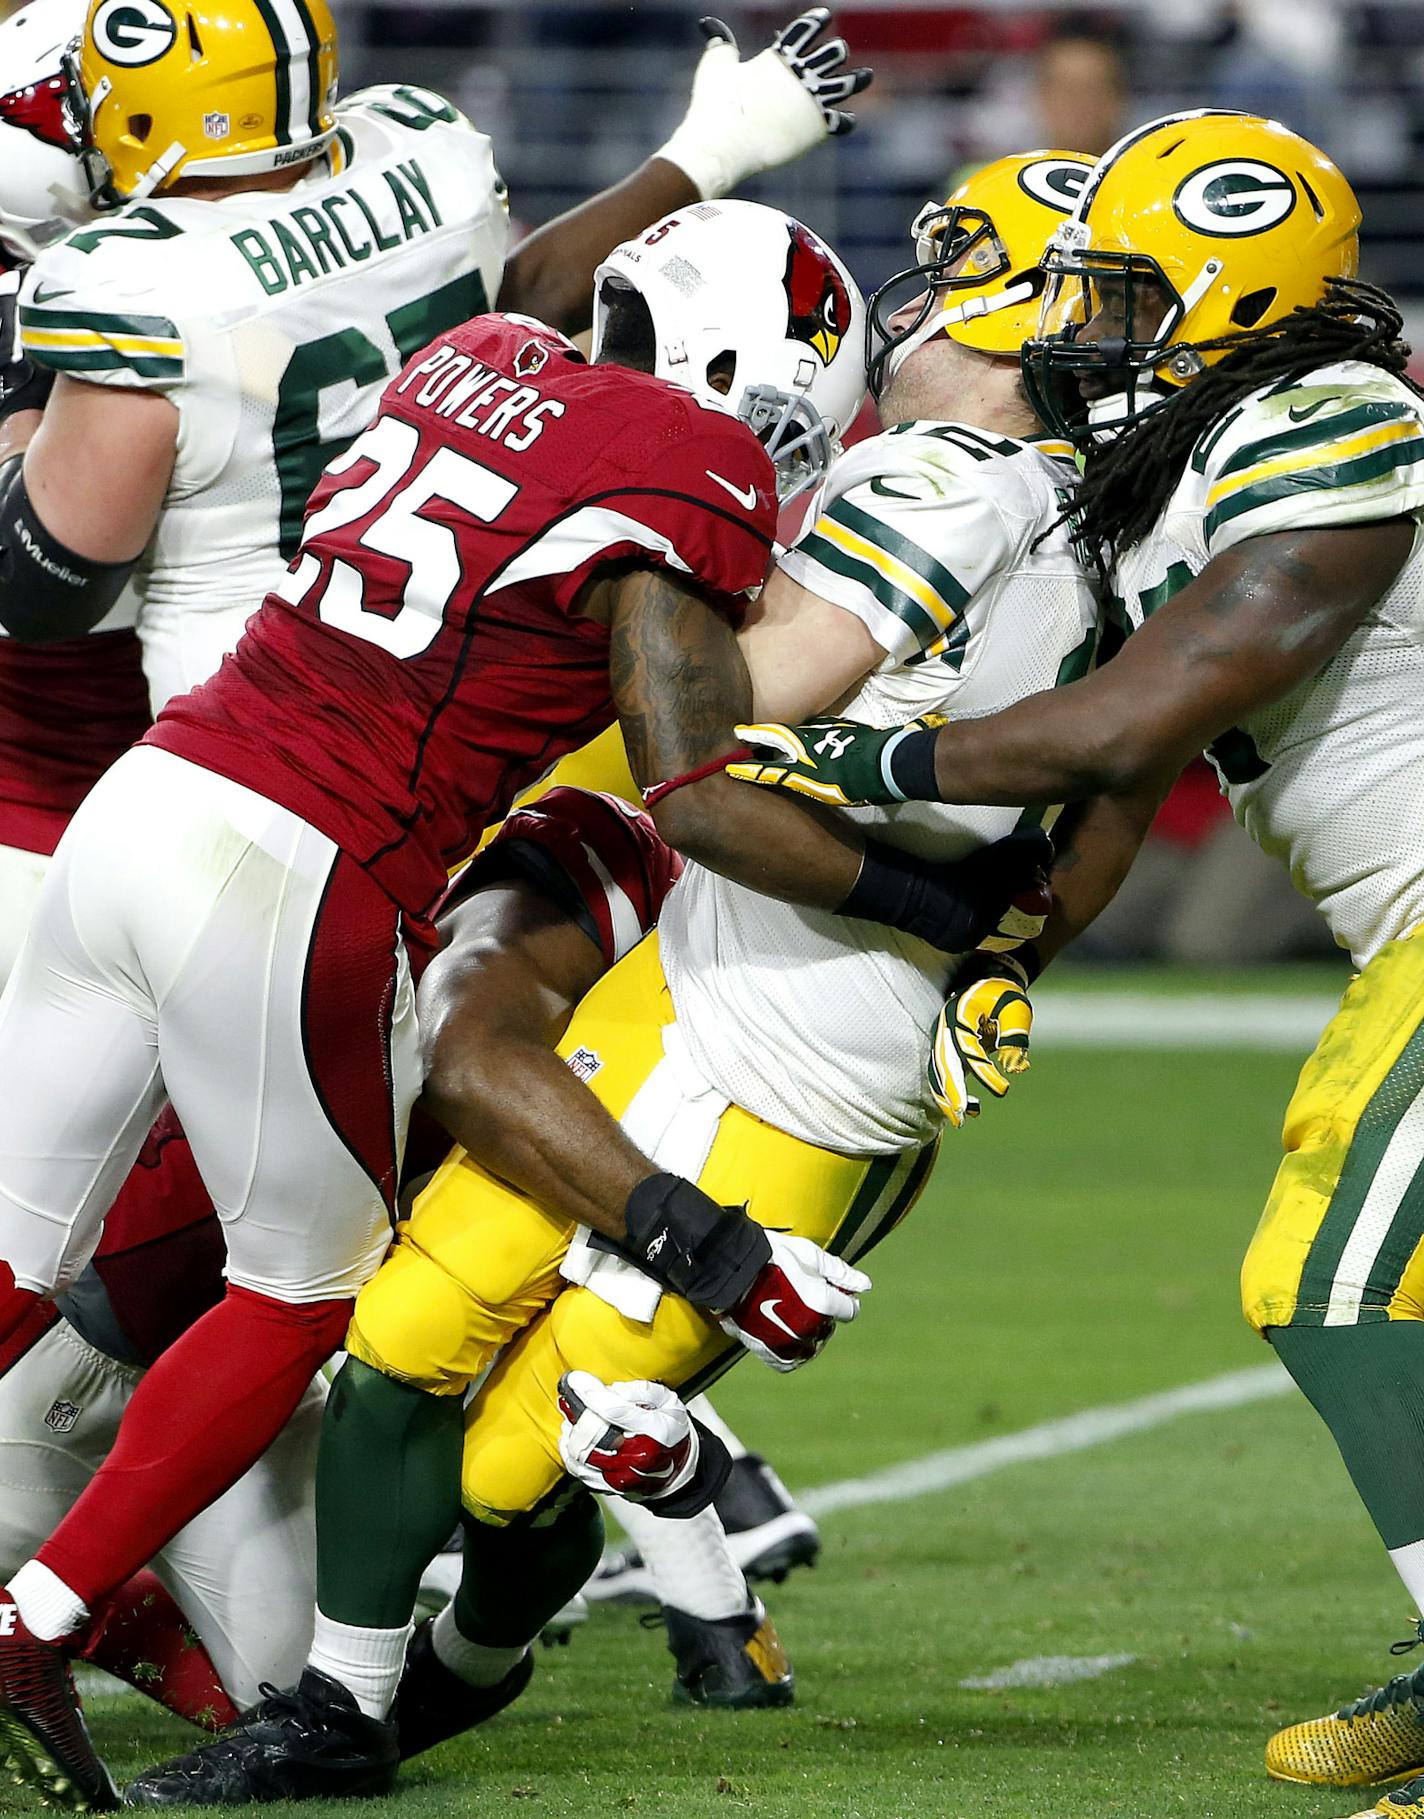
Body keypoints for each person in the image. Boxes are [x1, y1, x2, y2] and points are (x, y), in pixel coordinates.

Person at [0, 191, 1045, 1813]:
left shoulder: (473, 352)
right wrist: (946, 905)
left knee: (18, 1245)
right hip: (297, 857)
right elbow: (697, 762)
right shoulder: (692, 475)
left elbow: (538, 353)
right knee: (302, 1293)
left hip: (149, 791)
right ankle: (36, 1614)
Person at [728, 110, 1424, 1819]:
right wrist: (1010, 944)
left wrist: (872, 766)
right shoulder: (1175, 461)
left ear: (1228, 290)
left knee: (1327, 1281)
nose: (1074, 329)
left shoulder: (1333, 410)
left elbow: (1150, 701)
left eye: (1117, 295)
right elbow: (1119, 774)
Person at [0, 0, 874, 983]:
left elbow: (44, 591)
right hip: (417, 702)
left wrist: (34, 392)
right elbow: (510, 302)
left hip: (195, 758)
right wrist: (709, 148)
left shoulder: (124, 296)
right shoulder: (418, 172)